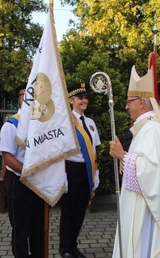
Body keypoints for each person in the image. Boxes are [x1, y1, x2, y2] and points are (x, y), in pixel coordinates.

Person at [109, 65, 160, 257]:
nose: (126, 106)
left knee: (142, 246)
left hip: (147, 208)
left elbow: (151, 171)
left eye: (129, 102)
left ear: (141, 102)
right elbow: (143, 163)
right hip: (141, 200)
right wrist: (125, 158)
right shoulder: (147, 127)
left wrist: (123, 156)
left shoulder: (151, 129)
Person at [0, 84, 45, 258]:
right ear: (21, 99)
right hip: (20, 183)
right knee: (20, 229)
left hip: (39, 182)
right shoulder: (11, 125)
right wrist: (30, 172)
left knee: (39, 228)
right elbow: (8, 158)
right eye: (28, 97)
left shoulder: (41, 125)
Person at [59, 83, 101, 258]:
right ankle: (65, 248)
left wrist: (95, 173)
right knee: (68, 211)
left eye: (85, 97)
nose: (84, 101)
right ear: (71, 101)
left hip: (86, 169)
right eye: (80, 98)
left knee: (80, 212)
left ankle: (73, 245)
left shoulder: (90, 123)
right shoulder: (65, 122)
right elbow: (59, 151)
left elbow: (94, 149)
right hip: (70, 169)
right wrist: (62, 176)